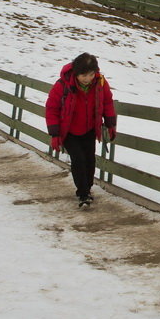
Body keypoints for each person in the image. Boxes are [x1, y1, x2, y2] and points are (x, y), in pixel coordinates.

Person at [45, 53, 117, 208]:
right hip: (69, 131)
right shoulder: (62, 85)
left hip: (89, 129)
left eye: (91, 74)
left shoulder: (100, 83)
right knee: (78, 159)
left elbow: (107, 103)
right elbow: (52, 109)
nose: (87, 78)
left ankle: (87, 189)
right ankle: (83, 193)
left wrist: (111, 124)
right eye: (83, 75)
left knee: (89, 160)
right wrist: (55, 134)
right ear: (76, 73)